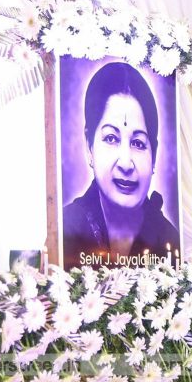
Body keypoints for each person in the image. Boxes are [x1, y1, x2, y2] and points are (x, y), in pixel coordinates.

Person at [62, 61, 179, 269]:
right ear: (90, 146)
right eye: (111, 138)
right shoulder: (65, 231)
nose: (126, 163)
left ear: (154, 154)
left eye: (138, 143)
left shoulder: (169, 241)